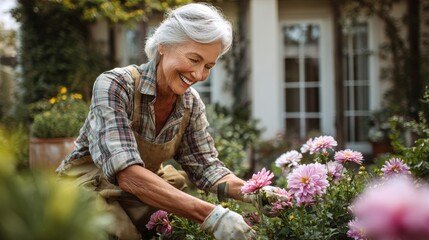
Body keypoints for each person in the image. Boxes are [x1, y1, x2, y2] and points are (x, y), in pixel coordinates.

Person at [57, 3, 278, 240]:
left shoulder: (190, 104)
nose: (199, 74)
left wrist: (255, 193)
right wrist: (212, 215)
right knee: (120, 233)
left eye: (208, 66)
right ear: (163, 45)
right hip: (89, 188)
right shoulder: (115, 84)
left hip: (141, 193)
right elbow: (127, 174)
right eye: (194, 59)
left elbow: (207, 167)